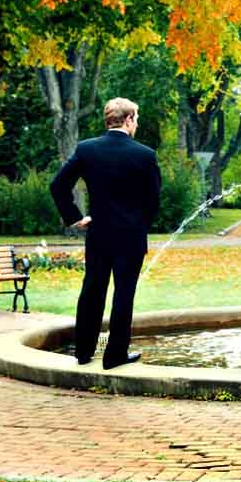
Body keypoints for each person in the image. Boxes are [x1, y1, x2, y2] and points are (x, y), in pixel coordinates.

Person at [50, 97, 161, 370]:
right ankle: (114, 355)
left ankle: (84, 351)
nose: (136, 123)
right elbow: (153, 200)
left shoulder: (87, 150)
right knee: (124, 294)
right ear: (129, 120)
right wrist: (140, 225)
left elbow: (58, 186)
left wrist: (75, 218)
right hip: (131, 237)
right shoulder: (145, 155)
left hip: (98, 233)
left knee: (92, 289)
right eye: (136, 118)